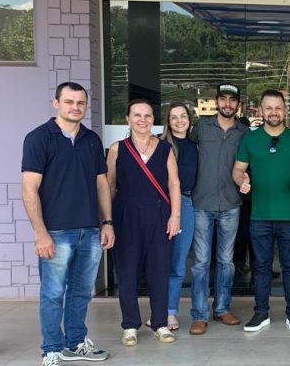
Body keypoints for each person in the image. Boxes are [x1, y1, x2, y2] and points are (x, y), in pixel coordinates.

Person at [21, 81, 113, 366]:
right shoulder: (38, 138)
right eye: (69, 101)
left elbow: (101, 183)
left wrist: (107, 222)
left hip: (90, 229)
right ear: (56, 103)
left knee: (81, 291)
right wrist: (40, 233)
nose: (75, 107)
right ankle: (51, 350)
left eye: (80, 102)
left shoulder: (91, 139)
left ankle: (75, 342)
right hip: (56, 232)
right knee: (52, 293)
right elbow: (29, 188)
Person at [233, 90, 290, 333]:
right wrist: (241, 181)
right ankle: (261, 312)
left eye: (278, 107)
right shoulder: (250, 139)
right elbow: (238, 169)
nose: (274, 112)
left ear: (285, 110)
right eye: (269, 108)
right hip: (260, 216)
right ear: (260, 110)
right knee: (261, 267)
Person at [107, 99, 182, 346]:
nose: (142, 120)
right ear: (128, 119)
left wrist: (175, 216)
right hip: (126, 216)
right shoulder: (117, 149)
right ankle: (130, 325)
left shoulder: (164, 149)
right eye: (137, 115)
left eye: (147, 115)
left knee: (159, 270)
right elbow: (109, 186)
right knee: (127, 271)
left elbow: (174, 184)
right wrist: (106, 221)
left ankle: (160, 323)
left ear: (153, 120)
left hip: (159, 214)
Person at [189, 83, 250, 335]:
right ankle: (199, 314)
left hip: (230, 203)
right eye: (223, 99)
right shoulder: (201, 127)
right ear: (216, 102)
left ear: (238, 105)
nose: (227, 104)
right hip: (201, 202)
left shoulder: (244, 132)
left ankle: (223, 308)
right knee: (201, 262)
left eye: (232, 100)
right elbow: (185, 154)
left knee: (226, 261)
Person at [160, 102, 197, 331]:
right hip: (162, 204)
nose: (179, 121)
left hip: (186, 204)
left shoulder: (194, 146)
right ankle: (158, 310)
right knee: (158, 261)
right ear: (168, 121)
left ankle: (170, 311)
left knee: (177, 261)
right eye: (174, 117)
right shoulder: (161, 146)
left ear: (189, 119)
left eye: (183, 116)